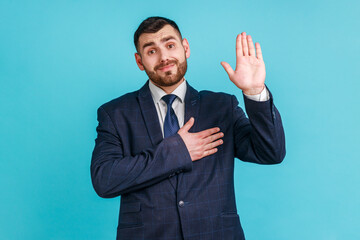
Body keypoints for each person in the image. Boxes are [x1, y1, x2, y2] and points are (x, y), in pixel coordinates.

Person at [91, 16, 286, 240]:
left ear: (185, 47)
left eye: (170, 45)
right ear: (139, 61)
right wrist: (177, 151)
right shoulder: (115, 113)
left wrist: (254, 91)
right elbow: (104, 180)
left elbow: (271, 152)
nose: (164, 57)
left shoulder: (222, 107)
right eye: (151, 51)